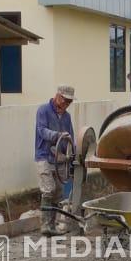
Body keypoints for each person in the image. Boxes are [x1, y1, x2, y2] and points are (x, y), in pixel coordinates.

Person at [35, 85, 76, 236]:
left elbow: (70, 137)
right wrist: (57, 135)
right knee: (48, 189)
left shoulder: (67, 117)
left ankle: (51, 227)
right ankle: (45, 225)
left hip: (60, 159)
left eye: (69, 102)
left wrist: (74, 155)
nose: (66, 105)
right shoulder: (43, 110)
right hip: (44, 156)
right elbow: (41, 130)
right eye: (64, 101)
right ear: (57, 96)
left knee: (58, 192)